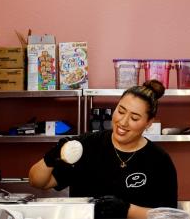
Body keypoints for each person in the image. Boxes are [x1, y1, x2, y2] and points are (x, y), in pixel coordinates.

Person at [29, 80, 178, 219]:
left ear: (148, 123)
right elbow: (38, 182)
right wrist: (51, 157)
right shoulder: (86, 145)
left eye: (134, 118)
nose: (123, 122)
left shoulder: (159, 160)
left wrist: (127, 210)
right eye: (121, 111)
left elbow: (168, 215)